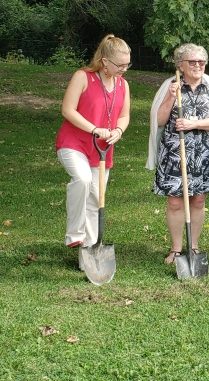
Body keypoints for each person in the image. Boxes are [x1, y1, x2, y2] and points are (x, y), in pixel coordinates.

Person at [146, 43, 209, 264]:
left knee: (199, 200)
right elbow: (159, 120)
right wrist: (171, 97)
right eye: (192, 62)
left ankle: (194, 246)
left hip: (203, 151)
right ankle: (176, 249)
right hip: (174, 151)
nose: (198, 65)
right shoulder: (170, 86)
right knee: (175, 202)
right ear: (180, 65)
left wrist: (194, 123)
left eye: (201, 62)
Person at [55, 34, 131, 262]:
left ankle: (88, 254)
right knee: (83, 180)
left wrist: (118, 131)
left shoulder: (123, 84)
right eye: (120, 65)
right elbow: (68, 110)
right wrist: (95, 129)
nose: (124, 69)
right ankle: (74, 233)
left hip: (102, 148)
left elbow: (125, 115)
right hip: (74, 142)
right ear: (105, 61)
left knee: (95, 199)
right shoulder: (83, 77)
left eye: (127, 64)